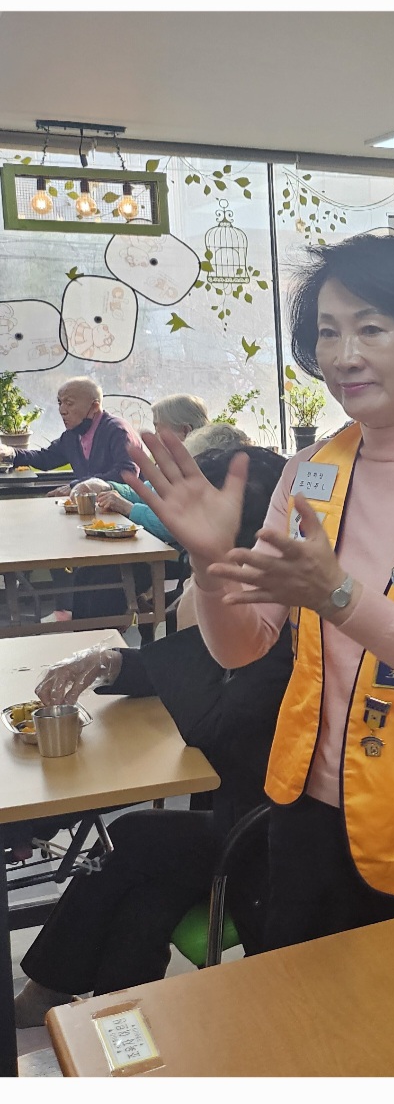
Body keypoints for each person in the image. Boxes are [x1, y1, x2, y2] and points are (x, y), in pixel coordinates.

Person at [123, 233, 394, 951]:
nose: (343, 355)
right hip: (308, 810)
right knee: (303, 1007)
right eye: (328, 332)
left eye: (371, 329)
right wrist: (209, 563)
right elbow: (244, 648)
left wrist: (338, 597)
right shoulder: (310, 472)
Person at [13, 446, 291, 1026]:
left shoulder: (285, 611)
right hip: (236, 808)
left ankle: (61, 998)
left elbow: (215, 704)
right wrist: (112, 661)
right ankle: (113, 1019)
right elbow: (199, 664)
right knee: (147, 882)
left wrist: (183, 611)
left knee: (137, 839)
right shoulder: (239, 589)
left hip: (274, 832)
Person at [74, 394, 210, 543]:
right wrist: (107, 487)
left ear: (185, 431)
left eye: (158, 429)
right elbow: (146, 493)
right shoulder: (173, 463)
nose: (154, 436)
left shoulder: (203, 469)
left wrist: (128, 508)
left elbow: (174, 526)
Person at [0, 376, 140, 496]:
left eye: (69, 403)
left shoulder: (117, 430)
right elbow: (45, 458)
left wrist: (78, 485)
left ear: (95, 407)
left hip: (128, 511)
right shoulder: (72, 437)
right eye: (60, 403)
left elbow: (127, 473)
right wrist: (12, 453)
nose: (62, 410)